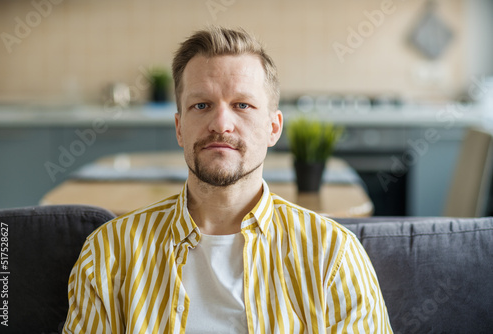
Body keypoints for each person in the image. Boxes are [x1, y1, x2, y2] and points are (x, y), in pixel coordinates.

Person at [63, 26, 392, 333]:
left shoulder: (333, 255)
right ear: (179, 127)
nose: (221, 124)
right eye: (201, 104)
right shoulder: (108, 255)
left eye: (242, 105)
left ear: (273, 128)